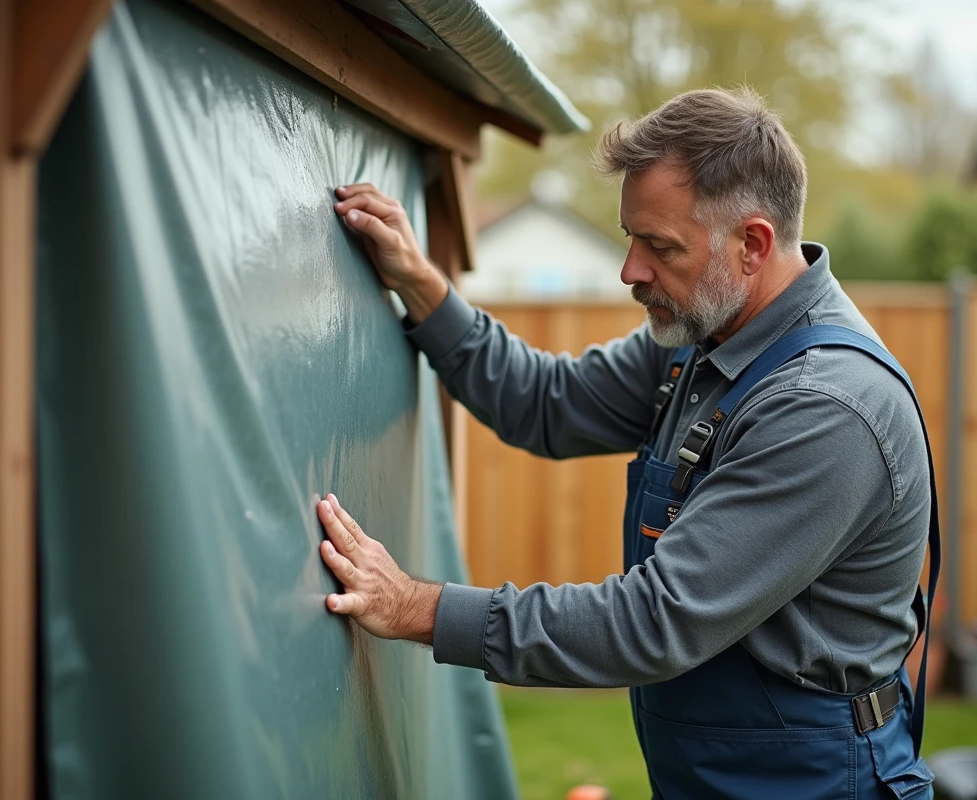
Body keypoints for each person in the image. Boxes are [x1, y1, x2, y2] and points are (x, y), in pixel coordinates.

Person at [316, 87, 939, 799]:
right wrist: (422, 287)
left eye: (661, 246)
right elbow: (546, 404)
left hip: (813, 782)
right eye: (631, 238)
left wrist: (416, 608)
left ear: (753, 244)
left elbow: (653, 621)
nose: (630, 271)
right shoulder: (704, 340)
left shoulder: (824, 408)